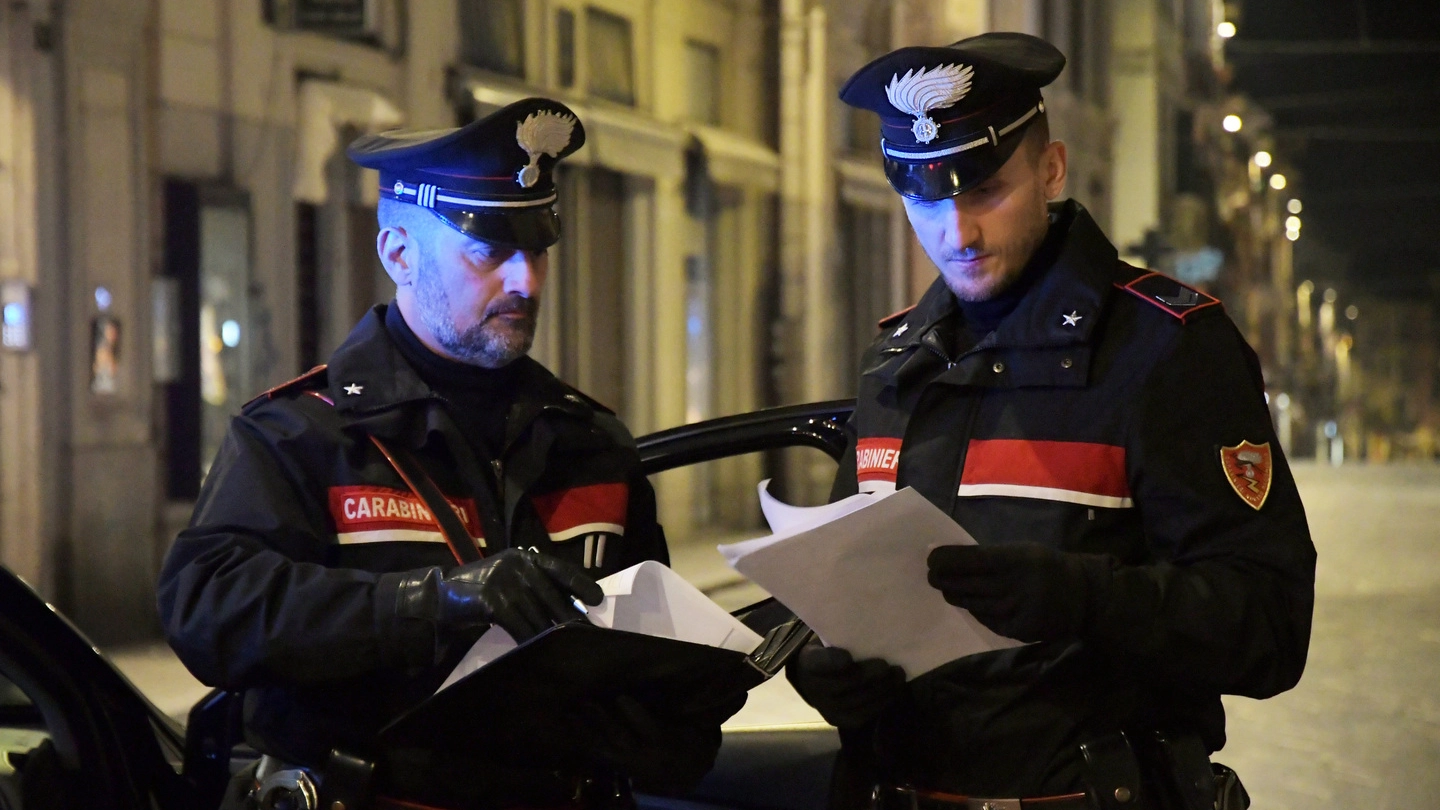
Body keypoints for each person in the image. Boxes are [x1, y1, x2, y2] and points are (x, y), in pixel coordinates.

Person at [157, 98, 741, 809]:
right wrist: (427, 601)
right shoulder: (305, 436)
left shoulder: (589, 445)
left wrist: (673, 732)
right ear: (399, 254)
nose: (525, 281)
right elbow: (207, 610)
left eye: (538, 248)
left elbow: (652, 653)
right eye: (491, 250)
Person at [785, 33, 1315, 810]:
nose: (955, 232)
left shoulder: (1168, 350)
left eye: (984, 191)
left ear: (1051, 169)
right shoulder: (896, 362)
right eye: (924, 198)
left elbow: (1269, 628)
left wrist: (1087, 602)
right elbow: (843, 589)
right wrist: (825, 667)